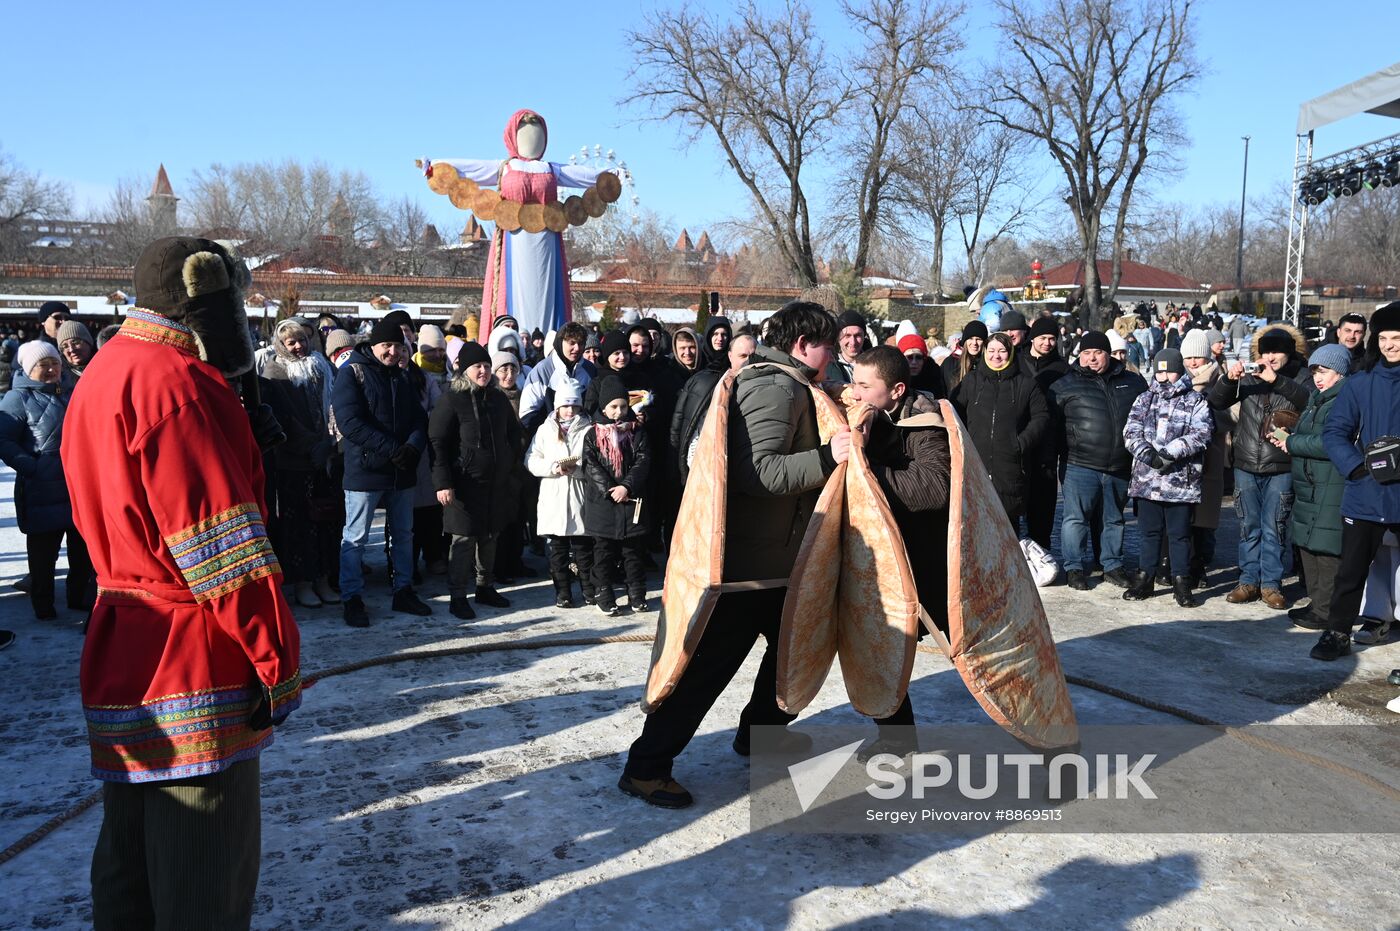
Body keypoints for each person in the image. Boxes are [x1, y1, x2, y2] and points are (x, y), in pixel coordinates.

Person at [61, 237, 300, 929]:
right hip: (194, 651)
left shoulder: (107, 370)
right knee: (203, 876)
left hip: (122, 639)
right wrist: (275, 659)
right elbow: (223, 547)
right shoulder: (177, 383)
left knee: (130, 863)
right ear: (207, 295)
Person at [619, 301, 851, 808]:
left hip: (777, 560)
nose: (834, 354)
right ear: (802, 344)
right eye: (828, 344)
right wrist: (828, 457)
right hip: (748, 567)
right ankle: (646, 767)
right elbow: (759, 473)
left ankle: (759, 732)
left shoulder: (793, 383)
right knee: (708, 667)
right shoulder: (774, 386)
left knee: (794, 646)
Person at [849, 346, 951, 757]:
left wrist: (868, 470)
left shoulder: (924, 424)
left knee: (971, 655)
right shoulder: (871, 414)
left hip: (931, 566)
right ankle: (895, 736)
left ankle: (1047, 742)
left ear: (896, 390)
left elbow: (933, 486)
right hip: (887, 561)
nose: (855, 394)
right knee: (880, 650)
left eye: (864, 386)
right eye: (853, 383)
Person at [332, 317, 433, 626]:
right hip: (365, 471)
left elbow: (419, 418)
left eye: (397, 346)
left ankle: (403, 589)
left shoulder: (402, 377)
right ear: (373, 345)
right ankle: (352, 597)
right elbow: (350, 423)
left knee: (403, 534)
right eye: (386, 346)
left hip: (401, 471)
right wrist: (392, 448)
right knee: (356, 537)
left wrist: (413, 447)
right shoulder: (353, 373)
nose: (392, 352)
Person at [1315, 302, 1400, 659]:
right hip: (1365, 492)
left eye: (1398, 337)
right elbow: (1335, 432)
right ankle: (1336, 633)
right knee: (1350, 571)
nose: (1390, 345)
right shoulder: (1360, 383)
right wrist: (1356, 466)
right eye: (1384, 338)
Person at [1209, 325, 1312, 609]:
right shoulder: (1250, 377)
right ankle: (1248, 581)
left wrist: (1276, 380)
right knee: (1248, 526)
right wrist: (1230, 380)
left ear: (1289, 353)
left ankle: (1271, 585)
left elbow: (1309, 402)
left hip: (1281, 465)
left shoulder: (1300, 375)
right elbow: (1216, 401)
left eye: (1277, 351)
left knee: (1275, 527)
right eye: (1266, 351)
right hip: (1246, 464)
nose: (1270, 356)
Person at [1048, 330, 1149, 590]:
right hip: (1079, 464)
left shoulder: (1133, 383)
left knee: (1114, 518)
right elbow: (1052, 428)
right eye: (1086, 353)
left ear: (1109, 354)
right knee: (1075, 519)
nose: (1091, 359)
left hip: (1119, 466)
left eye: (1097, 353)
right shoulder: (1064, 386)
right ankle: (1074, 567)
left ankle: (1112, 565)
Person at [0, 341, 94, 618]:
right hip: (40, 489)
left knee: (82, 552)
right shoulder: (17, 398)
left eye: (54, 363)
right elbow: (4, 439)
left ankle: (78, 597)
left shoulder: (74, 390)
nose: (52, 369)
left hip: (76, 486)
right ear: (29, 368)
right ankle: (43, 604)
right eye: (44, 365)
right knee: (43, 555)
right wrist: (31, 466)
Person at [429, 342, 520, 620]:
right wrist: (443, 482)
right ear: (464, 370)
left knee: (490, 535)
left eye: (486, 365)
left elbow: (513, 434)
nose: (483, 371)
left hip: (495, 482)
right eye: (477, 366)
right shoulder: (452, 398)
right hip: (464, 482)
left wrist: (510, 462)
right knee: (464, 538)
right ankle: (458, 595)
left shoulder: (497, 398)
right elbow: (437, 441)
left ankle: (485, 586)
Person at [1121, 349, 1213, 607]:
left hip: (1180, 483)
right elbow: (1131, 431)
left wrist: (1170, 454)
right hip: (1147, 481)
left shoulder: (1196, 400)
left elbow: (1202, 434)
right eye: (1159, 370)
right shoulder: (1144, 399)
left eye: (1169, 370)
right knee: (1149, 533)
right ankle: (1144, 578)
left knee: (1179, 534)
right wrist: (1148, 455)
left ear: (1180, 371)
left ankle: (1181, 582)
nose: (1163, 376)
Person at [260, 318, 341, 609]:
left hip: (324, 458)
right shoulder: (275, 371)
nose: (298, 346)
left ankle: (323, 579)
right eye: (292, 341)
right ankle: (304, 583)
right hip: (294, 462)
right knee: (300, 526)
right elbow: (283, 418)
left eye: (303, 340)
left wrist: (330, 442)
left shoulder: (322, 367)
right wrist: (310, 445)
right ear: (281, 344)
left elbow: (333, 406)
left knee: (325, 522)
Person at [1272, 344, 1351, 631]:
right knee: (1308, 544)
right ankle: (1318, 603)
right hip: (1310, 484)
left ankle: (1326, 610)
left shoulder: (1343, 401)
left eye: (1325, 371)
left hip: (1329, 485)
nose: (1318, 377)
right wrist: (1288, 436)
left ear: (1340, 373)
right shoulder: (1318, 398)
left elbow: (1331, 442)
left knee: (1326, 550)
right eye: (1316, 370)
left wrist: (1292, 443)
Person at [948, 332, 1047, 525]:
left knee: (1007, 525)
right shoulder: (972, 381)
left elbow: (1041, 417)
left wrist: (1020, 443)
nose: (996, 355)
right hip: (976, 463)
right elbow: (953, 412)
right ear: (985, 352)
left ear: (1010, 353)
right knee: (975, 521)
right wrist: (962, 443)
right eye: (992, 350)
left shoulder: (1025, 384)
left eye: (1002, 351)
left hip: (1010, 466)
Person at [580, 375, 652, 617]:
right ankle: (604, 592)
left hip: (631, 501)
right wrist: (611, 489)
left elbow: (643, 461)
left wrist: (627, 487)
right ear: (603, 407)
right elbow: (591, 466)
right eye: (613, 407)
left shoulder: (636, 432)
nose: (619, 412)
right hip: (603, 504)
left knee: (633, 552)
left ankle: (637, 592)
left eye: (623, 406)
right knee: (604, 553)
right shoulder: (592, 435)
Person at [527, 378, 595, 608]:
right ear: (556, 407)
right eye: (565, 406)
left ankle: (588, 588)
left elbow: (596, 462)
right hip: (553, 496)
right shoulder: (545, 430)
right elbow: (531, 459)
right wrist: (552, 468)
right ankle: (562, 592)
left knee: (583, 550)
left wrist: (577, 471)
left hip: (578, 495)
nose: (569, 411)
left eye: (574, 405)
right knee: (557, 551)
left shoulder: (588, 429)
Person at [1180, 329, 1229, 587]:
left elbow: (1232, 417)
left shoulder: (1221, 379)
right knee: (1182, 516)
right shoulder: (1176, 379)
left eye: (1197, 357)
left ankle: (1199, 565)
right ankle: (1181, 566)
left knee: (1204, 518)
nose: (1192, 362)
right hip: (1182, 460)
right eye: (1187, 358)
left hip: (1210, 455)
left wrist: (1203, 415)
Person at [1022, 316, 1070, 549]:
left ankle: (1041, 550)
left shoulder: (1063, 369)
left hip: (1048, 444)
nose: (1047, 343)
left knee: (1043, 505)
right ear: (1033, 338)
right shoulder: (1019, 362)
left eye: (1052, 338)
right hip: (1021, 439)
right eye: (1042, 338)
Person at [518, 321, 596, 433]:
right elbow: (527, 413)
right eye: (572, 343)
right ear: (560, 342)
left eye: (581, 343)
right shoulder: (542, 370)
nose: (577, 348)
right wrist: (551, 434)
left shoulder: (590, 369)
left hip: (583, 438)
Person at [941, 320, 987, 392]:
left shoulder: (988, 364)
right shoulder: (950, 363)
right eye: (970, 338)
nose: (974, 343)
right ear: (965, 341)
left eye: (978, 339)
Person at [898, 332, 946, 399]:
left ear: (924, 359)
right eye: (909, 357)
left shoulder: (935, 379)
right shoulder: (894, 380)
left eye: (918, 357)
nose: (914, 362)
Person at [825, 310, 868, 383]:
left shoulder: (873, 365)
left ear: (864, 336)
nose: (853, 342)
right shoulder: (827, 367)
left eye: (857, 335)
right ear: (838, 337)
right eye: (847, 336)